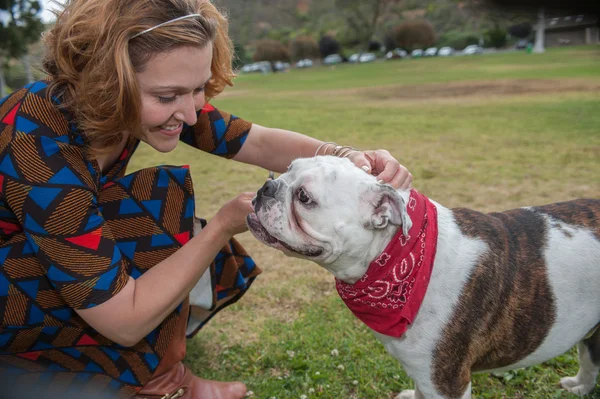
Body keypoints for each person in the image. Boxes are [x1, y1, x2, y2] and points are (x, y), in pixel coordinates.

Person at [0, 0, 412, 398]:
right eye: (168, 97)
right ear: (109, 80)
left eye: (196, 90)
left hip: (34, 262)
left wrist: (346, 157)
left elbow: (255, 141)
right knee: (155, 206)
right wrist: (219, 228)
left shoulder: (132, 101)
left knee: (154, 205)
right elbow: (122, 320)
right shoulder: (37, 143)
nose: (193, 114)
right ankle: (159, 384)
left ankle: (147, 367)